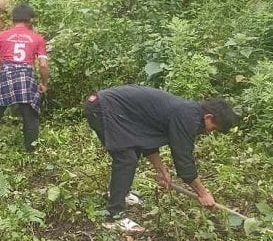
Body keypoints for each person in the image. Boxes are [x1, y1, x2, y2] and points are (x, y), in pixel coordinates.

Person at [83, 85, 238, 223]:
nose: (209, 132)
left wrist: (161, 170)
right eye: (213, 128)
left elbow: (145, 141)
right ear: (208, 117)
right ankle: (114, 216)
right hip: (103, 107)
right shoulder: (188, 117)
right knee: (126, 159)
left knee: (132, 150)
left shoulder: (188, 113)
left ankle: (120, 193)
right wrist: (203, 193)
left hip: (113, 109)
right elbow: (183, 160)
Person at [0, 3, 49, 157]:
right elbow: (43, 65)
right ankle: (31, 151)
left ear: (12, 19)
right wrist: (44, 84)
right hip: (26, 77)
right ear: (30, 20)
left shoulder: (0, 36)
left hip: (6, 75)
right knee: (30, 115)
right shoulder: (37, 38)